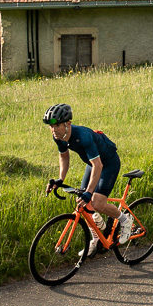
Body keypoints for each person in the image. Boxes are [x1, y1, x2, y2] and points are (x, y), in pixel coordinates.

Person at [42, 103, 134, 257]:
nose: (53, 129)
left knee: (97, 202)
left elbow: (98, 165)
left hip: (108, 163)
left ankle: (125, 220)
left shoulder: (83, 136)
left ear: (68, 124)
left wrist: (90, 192)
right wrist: (60, 179)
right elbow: (64, 156)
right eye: (51, 126)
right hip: (93, 163)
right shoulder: (58, 136)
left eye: (57, 125)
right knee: (83, 201)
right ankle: (97, 237)